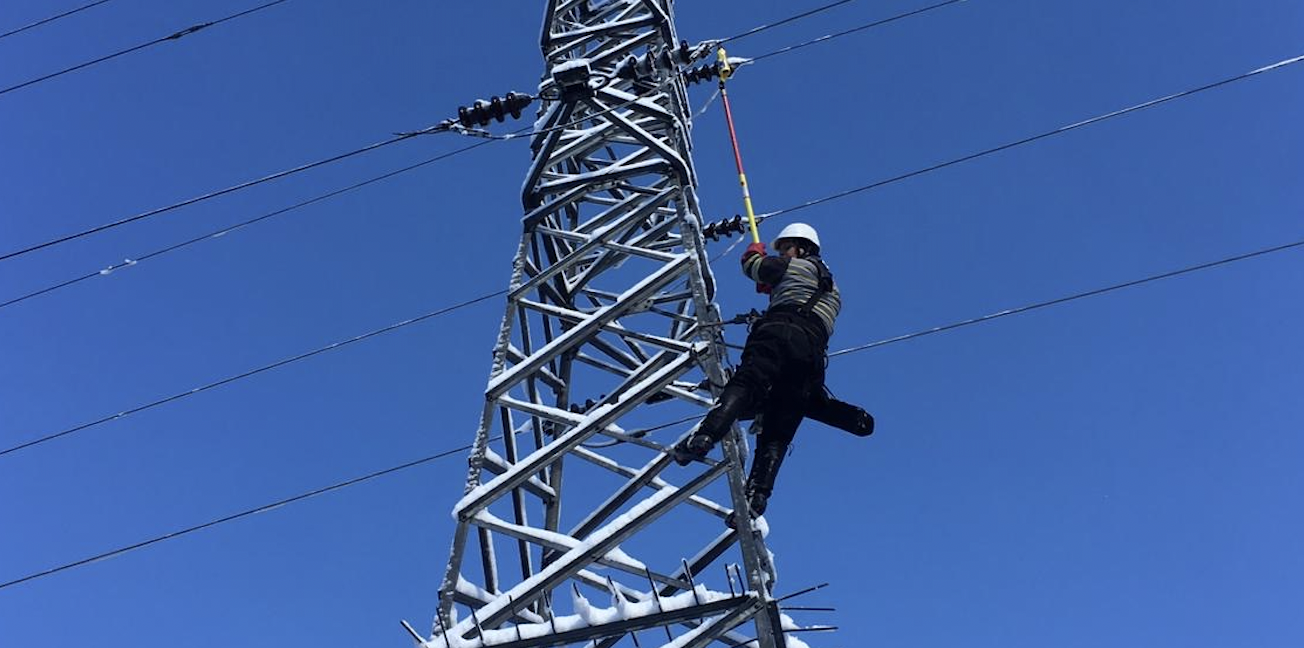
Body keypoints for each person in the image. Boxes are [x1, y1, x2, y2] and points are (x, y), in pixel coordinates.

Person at [674, 223, 874, 519]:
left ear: (802, 248)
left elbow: (757, 268)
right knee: (780, 423)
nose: (782, 253)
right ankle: (757, 495)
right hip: (811, 353)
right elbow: (795, 290)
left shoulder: (794, 266)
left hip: (779, 330)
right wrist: (776, 288)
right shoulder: (832, 288)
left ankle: (705, 437)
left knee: (747, 382)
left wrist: (755, 255)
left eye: (785, 248)